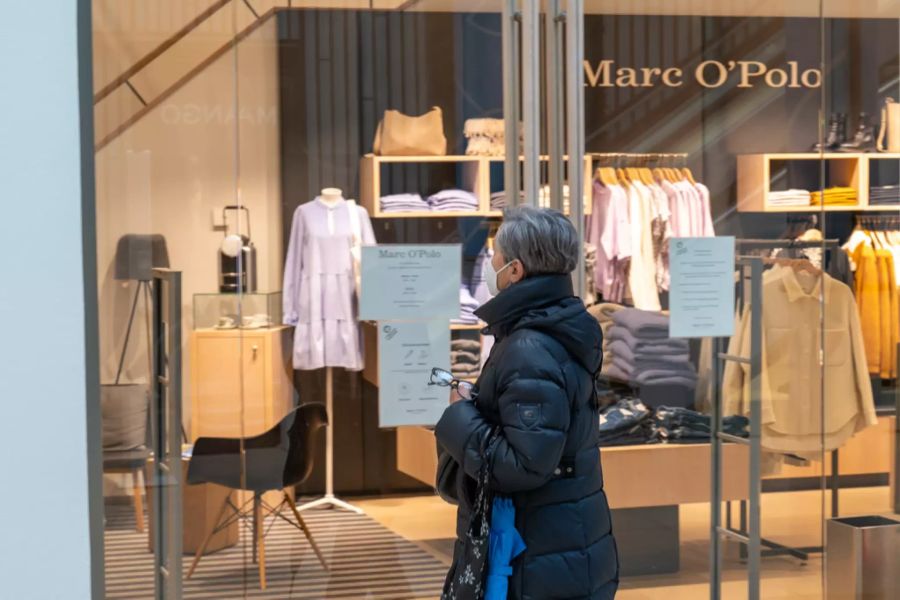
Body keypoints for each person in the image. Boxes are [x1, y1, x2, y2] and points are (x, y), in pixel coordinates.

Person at [435, 206, 619, 599]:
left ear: (515, 270)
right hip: (561, 545)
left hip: (536, 556)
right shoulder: (556, 329)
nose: (491, 263)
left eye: (496, 255)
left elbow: (522, 465)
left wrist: (458, 415)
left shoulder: (529, 346)